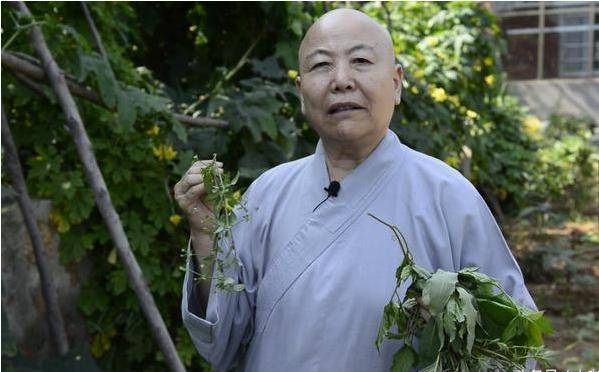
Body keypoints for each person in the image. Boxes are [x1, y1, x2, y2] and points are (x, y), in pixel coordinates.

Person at [175, 8, 538, 372]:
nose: (342, 80)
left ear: (396, 83)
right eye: (321, 65)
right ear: (301, 92)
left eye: (361, 60)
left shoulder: (449, 196)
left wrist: (451, 330)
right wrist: (207, 236)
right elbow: (220, 345)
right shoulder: (267, 194)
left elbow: (515, 348)